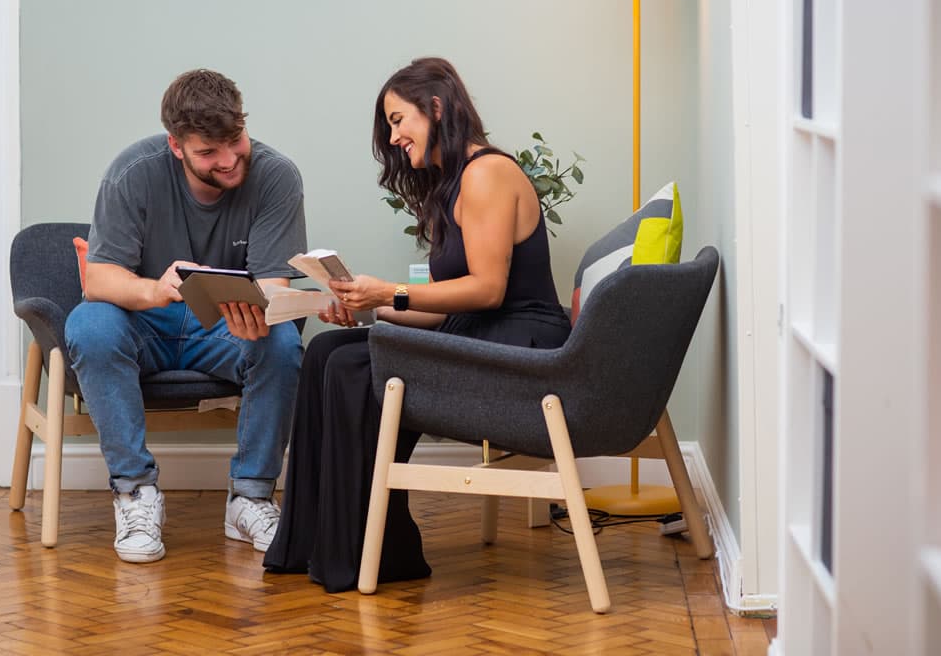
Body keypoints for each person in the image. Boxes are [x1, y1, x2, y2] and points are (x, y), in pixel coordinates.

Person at [263, 57, 571, 591]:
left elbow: (488, 288)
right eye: (389, 124)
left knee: (354, 368)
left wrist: (391, 292)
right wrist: (367, 304)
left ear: (436, 107)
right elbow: (443, 306)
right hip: (479, 332)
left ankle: (375, 550)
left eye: (398, 118)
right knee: (327, 351)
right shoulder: (450, 187)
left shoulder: (487, 173)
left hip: (521, 344)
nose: (394, 135)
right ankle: (315, 544)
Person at [65, 68, 306, 563]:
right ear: (176, 146)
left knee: (281, 343)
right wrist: (155, 288)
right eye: (207, 152)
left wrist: (260, 310)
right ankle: (135, 493)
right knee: (89, 326)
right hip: (144, 323)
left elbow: (274, 287)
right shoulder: (133, 172)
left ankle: (251, 497)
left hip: (222, 325)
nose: (229, 160)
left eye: (235, 141)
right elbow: (100, 280)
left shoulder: (277, 175)